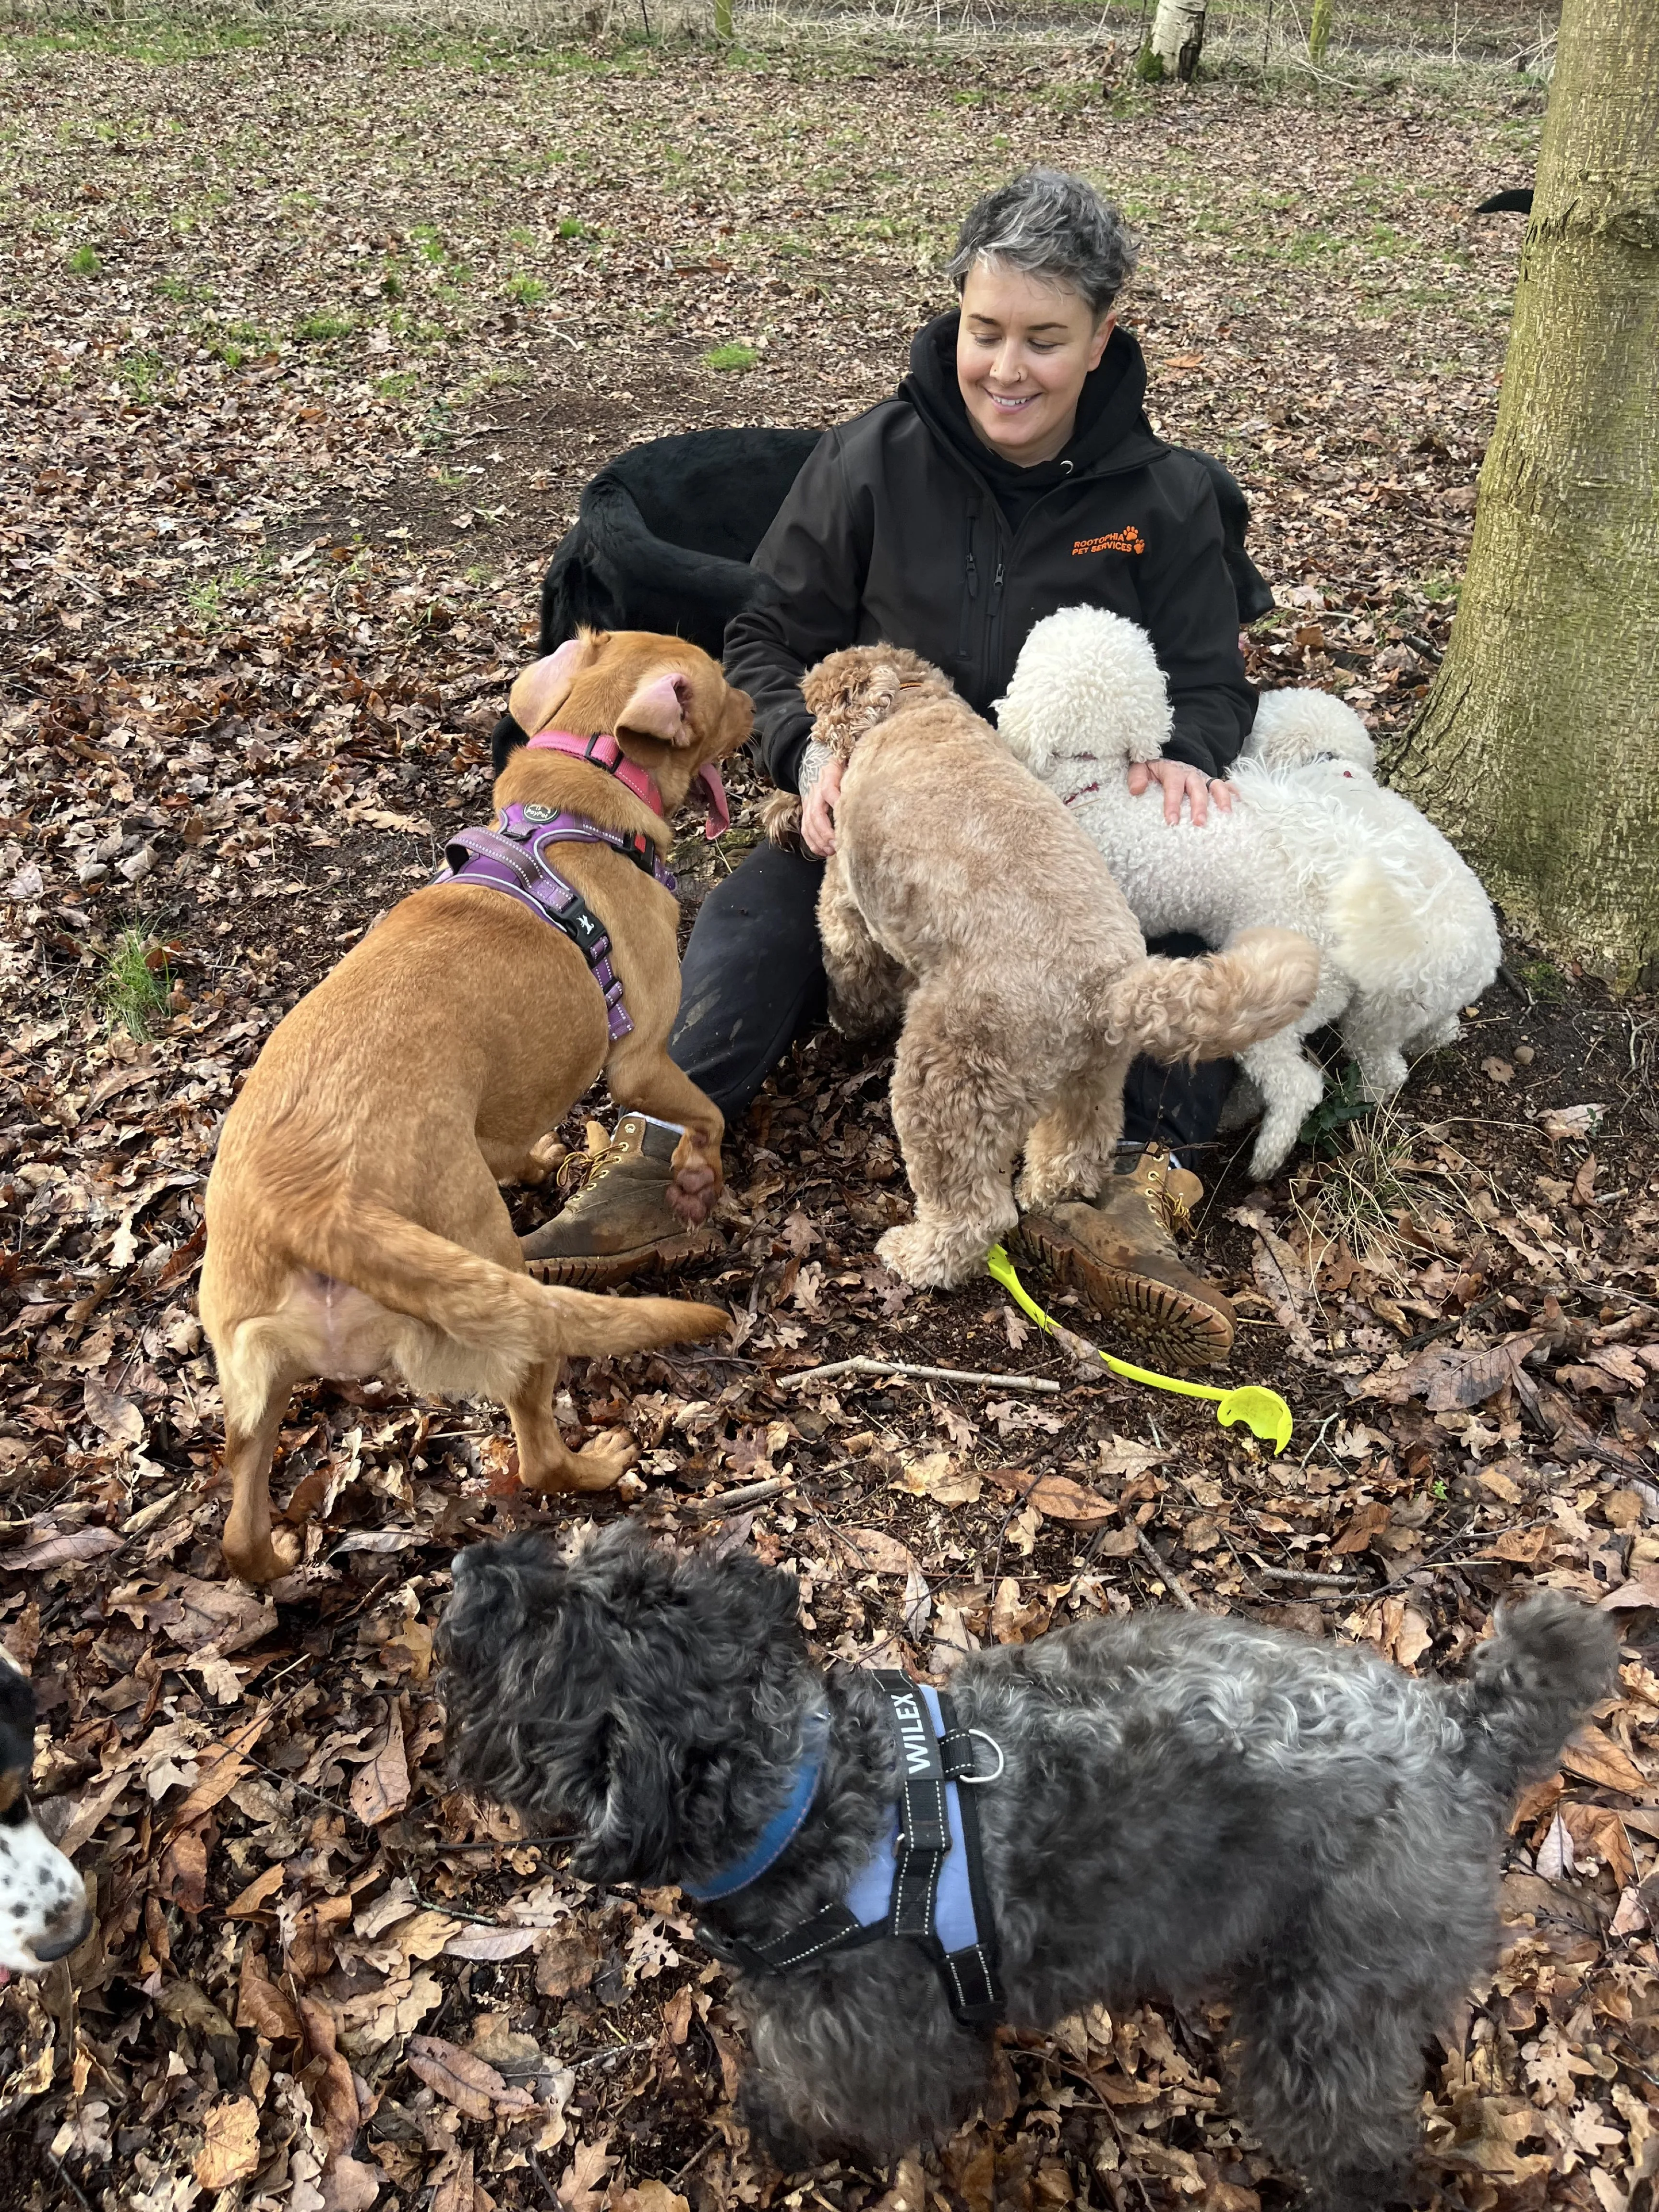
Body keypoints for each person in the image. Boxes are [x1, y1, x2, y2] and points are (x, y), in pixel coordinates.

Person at [525, 168, 1255, 1365]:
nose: (1007, 370)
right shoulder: (871, 458)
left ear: (1103, 336)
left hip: (1066, 836)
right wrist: (808, 754)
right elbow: (763, 635)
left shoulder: (1165, 498)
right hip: (875, 819)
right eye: (985, 332)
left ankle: (1123, 1196)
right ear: (956, 313)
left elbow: (1213, 677)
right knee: (756, 925)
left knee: (1166, 949)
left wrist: (1188, 757)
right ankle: (662, 1161)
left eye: (1045, 340)